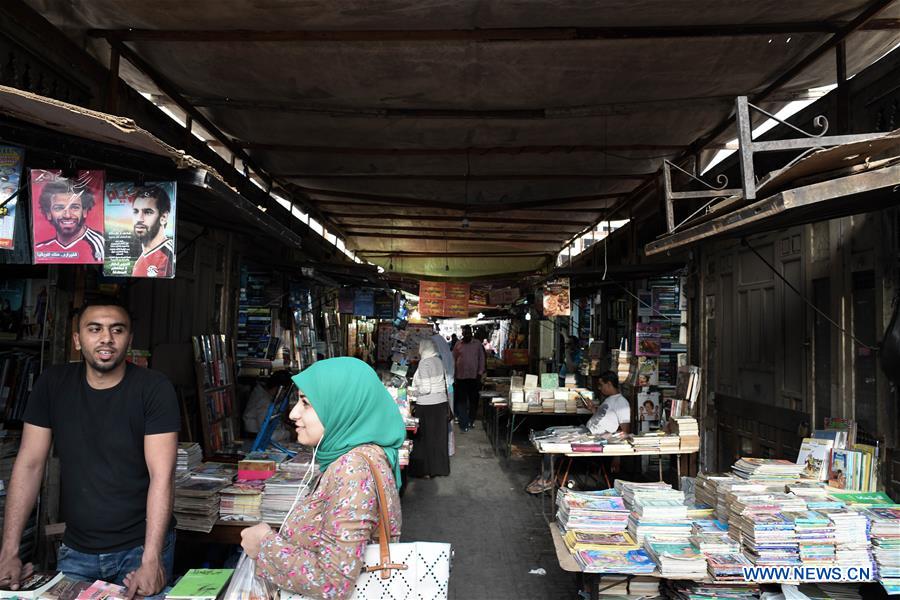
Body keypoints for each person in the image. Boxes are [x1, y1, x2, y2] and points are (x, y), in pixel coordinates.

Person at [0, 300, 179, 598]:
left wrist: (151, 559)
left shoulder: (154, 388)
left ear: (129, 339)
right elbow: (30, 464)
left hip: (139, 548)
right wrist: (8, 551)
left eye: (117, 330)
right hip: (76, 550)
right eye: (94, 329)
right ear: (77, 339)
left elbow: (163, 476)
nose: (106, 338)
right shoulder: (52, 385)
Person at [240, 357, 405, 599]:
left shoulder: (352, 470)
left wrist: (264, 544)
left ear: (342, 406)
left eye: (306, 403)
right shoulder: (352, 458)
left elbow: (334, 581)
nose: (294, 413)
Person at [526, 371, 631, 494]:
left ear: (609, 384)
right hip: (585, 430)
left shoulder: (622, 403)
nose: (600, 388)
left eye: (601, 385)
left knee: (551, 444)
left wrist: (617, 457)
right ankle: (546, 475)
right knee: (550, 431)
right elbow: (603, 418)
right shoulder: (610, 399)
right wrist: (592, 408)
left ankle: (546, 479)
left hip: (592, 437)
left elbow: (625, 431)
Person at [408, 339, 451, 478]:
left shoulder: (424, 363)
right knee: (438, 438)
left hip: (427, 405)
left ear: (423, 348)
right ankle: (439, 469)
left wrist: (412, 392)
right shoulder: (438, 360)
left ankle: (425, 470)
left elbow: (426, 389)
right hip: (441, 404)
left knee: (423, 439)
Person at [34, 179, 104, 262]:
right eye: (59, 208)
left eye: (74, 207)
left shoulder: (101, 245)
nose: (67, 215)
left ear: (84, 211)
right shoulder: (39, 250)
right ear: (49, 213)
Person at [131, 186, 174, 278]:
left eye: (148, 212)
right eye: (135, 211)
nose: (139, 219)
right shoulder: (140, 260)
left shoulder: (170, 256)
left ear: (163, 218)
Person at [242, 370, 294, 443]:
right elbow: (269, 435)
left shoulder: (264, 395)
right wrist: (289, 433)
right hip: (256, 439)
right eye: (285, 392)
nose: (284, 396)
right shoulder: (264, 401)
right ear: (279, 388)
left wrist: (285, 427)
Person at [452, 325, 484, 432]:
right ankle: (463, 423)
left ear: (471, 333)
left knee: (473, 401)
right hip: (460, 377)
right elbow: (453, 360)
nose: (466, 335)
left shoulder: (477, 344)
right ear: (462, 334)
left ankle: (471, 420)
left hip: (474, 377)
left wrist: (480, 373)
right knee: (461, 401)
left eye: (468, 333)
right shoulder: (458, 344)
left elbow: (481, 359)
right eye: (465, 333)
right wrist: (454, 375)